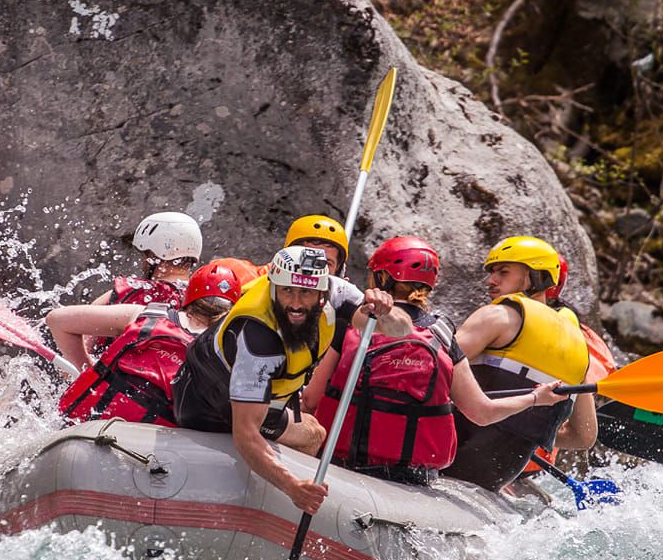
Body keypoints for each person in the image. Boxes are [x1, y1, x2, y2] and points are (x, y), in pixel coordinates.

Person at [307, 236, 561, 485]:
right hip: (411, 479)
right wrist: (537, 398)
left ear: (382, 278)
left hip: (338, 462)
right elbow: (482, 413)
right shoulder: (442, 334)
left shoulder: (354, 324)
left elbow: (311, 400)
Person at [172, 245, 406, 514]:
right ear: (273, 287)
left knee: (315, 431)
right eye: (287, 291)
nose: (295, 303)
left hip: (259, 395)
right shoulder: (258, 339)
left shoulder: (337, 292)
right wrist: (293, 487)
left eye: (305, 292)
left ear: (322, 292)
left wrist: (386, 310)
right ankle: (272, 508)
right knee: (311, 434)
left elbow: (400, 329)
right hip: (206, 404)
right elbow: (246, 435)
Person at [441, 234, 599, 490]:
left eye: (503, 272)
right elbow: (584, 436)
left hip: (443, 459)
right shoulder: (580, 349)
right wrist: (521, 422)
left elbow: (428, 365)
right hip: (495, 477)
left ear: (534, 277)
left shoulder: (497, 317)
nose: (491, 280)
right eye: (492, 272)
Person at [50, 260, 253, 426]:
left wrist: (88, 370)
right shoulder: (229, 349)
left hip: (88, 424)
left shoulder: (145, 314)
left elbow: (57, 320)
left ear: (188, 296)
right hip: (155, 452)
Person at [50, 210, 203, 363]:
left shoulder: (127, 292)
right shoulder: (203, 305)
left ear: (152, 255)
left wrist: (88, 371)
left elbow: (79, 345)